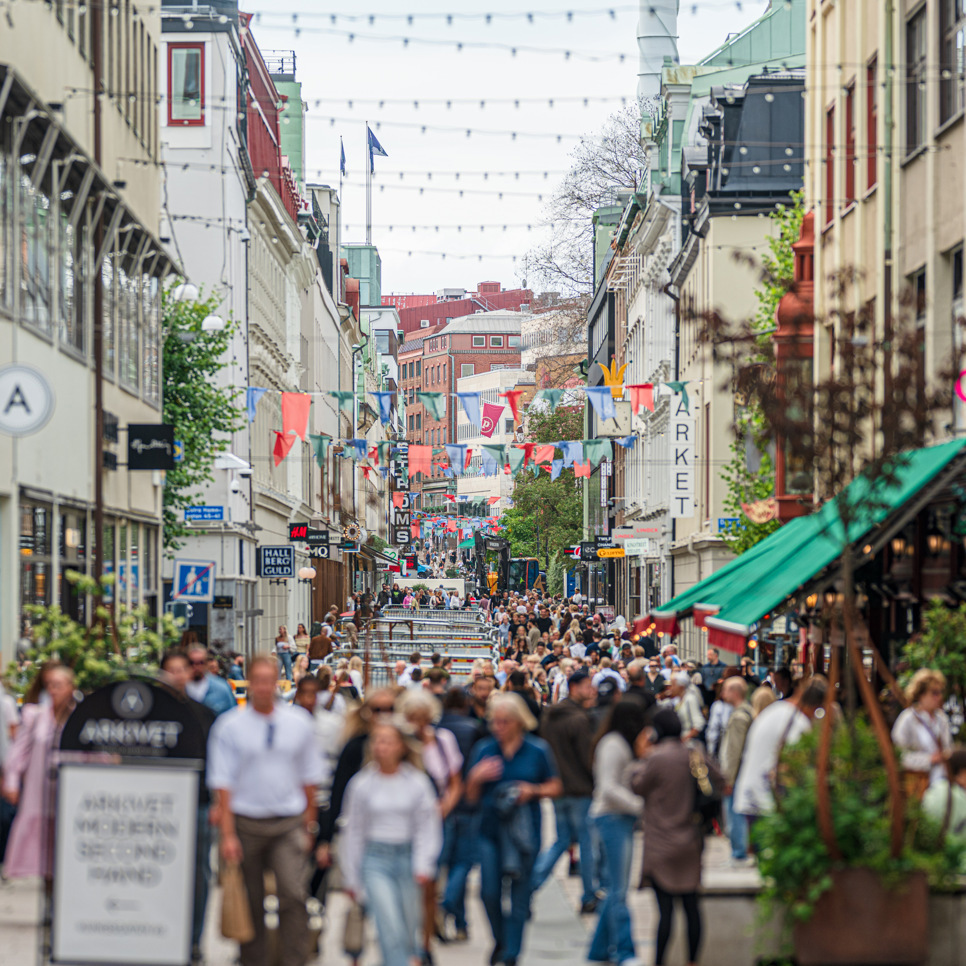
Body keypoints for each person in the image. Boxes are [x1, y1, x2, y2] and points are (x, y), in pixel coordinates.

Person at [208, 655, 324, 966]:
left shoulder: (298, 723)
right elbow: (223, 784)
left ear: (276, 682)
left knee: (293, 893)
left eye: (268, 681)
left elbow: (310, 778)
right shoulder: (229, 726)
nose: (262, 687)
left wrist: (309, 825)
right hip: (246, 822)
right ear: (250, 682)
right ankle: (253, 960)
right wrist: (228, 835)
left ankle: (294, 959)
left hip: (288, 821)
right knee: (250, 898)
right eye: (257, 681)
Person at [466, 693, 562, 966]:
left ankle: (511, 955)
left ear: (519, 722)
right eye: (494, 721)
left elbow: (555, 787)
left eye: (504, 721)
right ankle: (501, 939)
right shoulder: (484, 749)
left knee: (520, 896)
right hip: (490, 829)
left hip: (524, 833)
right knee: (489, 892)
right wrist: (475, 777)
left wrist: (532, 790)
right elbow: (470, 797)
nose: (498, 727)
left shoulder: (537, 750)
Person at [340, 716, 442, 966]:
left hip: (407, 858)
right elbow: (353, 831)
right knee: (388, 925)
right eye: (377, 741)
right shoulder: (362, 784)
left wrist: (424, 863)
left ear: (401, 746)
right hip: (375, 860)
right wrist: (351, 876)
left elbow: (426, 826)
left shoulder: (417, 782)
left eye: (387, 741)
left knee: (408, 927)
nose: (381, 747)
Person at [629, 709, 723, 966]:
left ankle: (660, 961)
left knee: (665, 911)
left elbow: (637, 785)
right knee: (692, 907)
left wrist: (641, 752)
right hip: (690, 841)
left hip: (660, 843)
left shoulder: (655, 758)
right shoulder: (694, 754)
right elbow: (721, 779)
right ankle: (692, 961)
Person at [160, 651, 217, 964]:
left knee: (198, 873)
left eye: (182, 669)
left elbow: (215, 762)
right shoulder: (151, 715)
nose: (177, 675)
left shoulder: (203, 715)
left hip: (198, 804)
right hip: (158, 808)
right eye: (171, 670)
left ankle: (194, 938)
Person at [399, 689, 463, 964]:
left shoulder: (442, 740)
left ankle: (425, 944)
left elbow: (455, 781)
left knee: (430, 882)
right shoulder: (401, 742)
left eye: (422, 718)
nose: (418, 724)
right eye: (412, 718)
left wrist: (444, 807)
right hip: (404, 821)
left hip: (436, 819)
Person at [531, 666, 599, 910]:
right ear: (574, 688)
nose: (591, 691)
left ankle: (531, 884)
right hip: (579, 789)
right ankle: (589, 894)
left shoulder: (550, 716)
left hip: (557, 787)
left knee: (562, 840)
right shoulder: (579, 719)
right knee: (586, 842)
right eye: (587, 687)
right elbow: (586, 757)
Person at [2, 665, 76, 879]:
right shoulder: (34, 715)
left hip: (67, 790)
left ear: (70, 687)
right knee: (42, 859)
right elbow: (18, 752)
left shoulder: (78, 718)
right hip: (38, 790)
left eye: (58, 685)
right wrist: (12, 782)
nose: (53, 690)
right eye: (49, 685)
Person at [587, 701, 647, 966]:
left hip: (616, 819)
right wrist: (639, 806)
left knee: (615, 887)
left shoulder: (616, 743)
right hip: (611, 819)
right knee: (618, 890)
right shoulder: (613, 744)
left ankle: (598, 950)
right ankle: (625, 951)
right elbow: (608, 786)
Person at [732, 677, 828, 821]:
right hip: (765, 801)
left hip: (751, 794)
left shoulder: (776, 709)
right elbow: (794, 764)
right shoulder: (797, 722)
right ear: (815, 707)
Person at [892, 668, 953, 798]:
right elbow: (898, 756)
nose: (939, 697)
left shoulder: (941, 718)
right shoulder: (907, 719)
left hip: (943, 779)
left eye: (940, 692)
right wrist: (929, 759)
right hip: (919, 783)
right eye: (934, 693)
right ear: (921, 694)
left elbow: (948, 747)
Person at [717, 678, 753, 865]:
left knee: (734, 814)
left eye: (725, 690)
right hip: (741, 772)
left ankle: (738, 852)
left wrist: (728, 779)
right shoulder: (745, 712)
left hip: (736, 774)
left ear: (735, 692)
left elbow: (734, 751)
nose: (722, 693)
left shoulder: (739, 716)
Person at [923, 748, 966, 862]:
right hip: (951, 858)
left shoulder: (937, 787)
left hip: (929, 852)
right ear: (962, 773)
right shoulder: (959, 797)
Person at [185, 645, 237, 717]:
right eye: (191, 663)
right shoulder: (178, 689)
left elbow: (233, 716)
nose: (196, 666)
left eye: (201, 662)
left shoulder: (222, 688)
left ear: (206, 663)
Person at [669, 670, 705, 744]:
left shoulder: (690, 699)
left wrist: (686, 738)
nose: (671, 688)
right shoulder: (676, 701)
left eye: (673, 685)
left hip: (690, 743)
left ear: (681, 687)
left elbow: (699, 724)